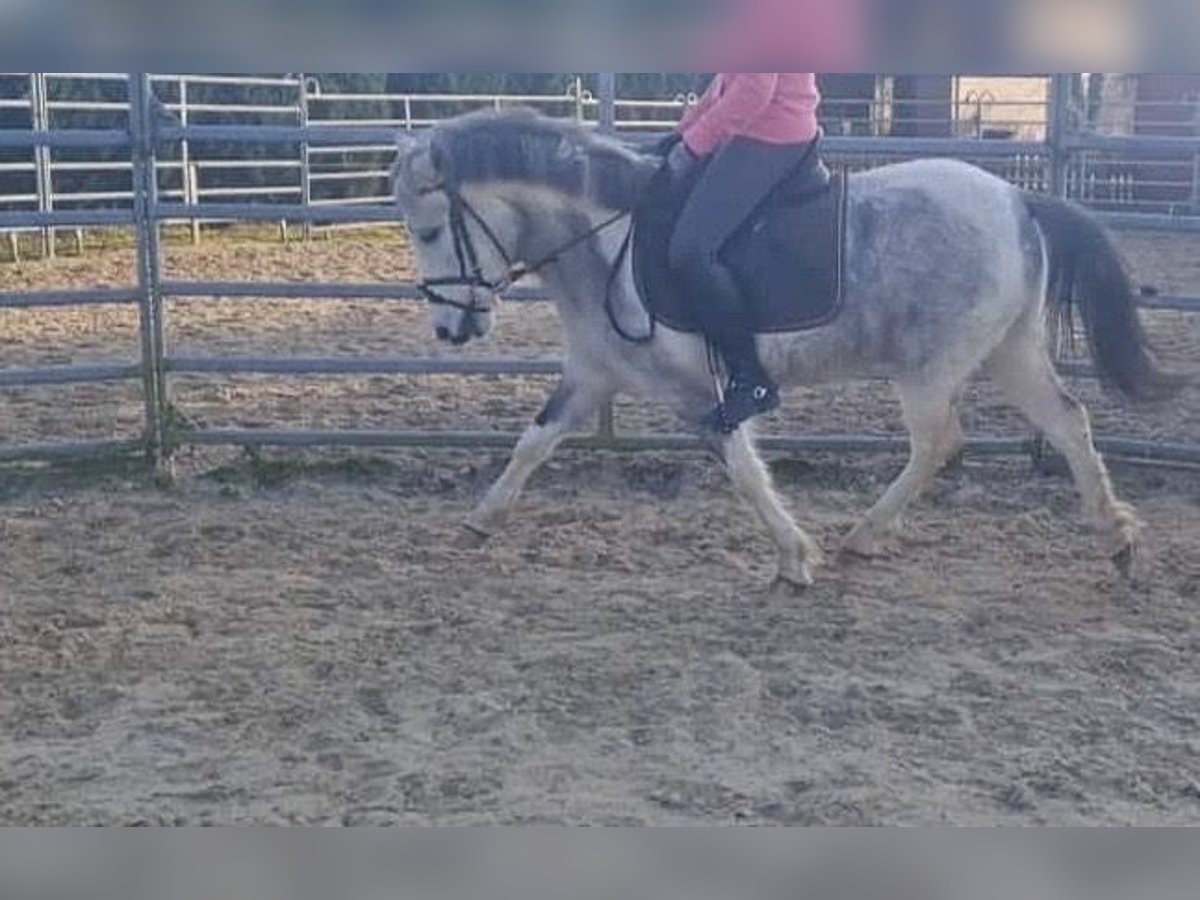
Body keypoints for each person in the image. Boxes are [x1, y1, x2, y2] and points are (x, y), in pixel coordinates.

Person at [664, 73, 824, 434]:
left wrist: (693, 144)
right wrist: (684, 132)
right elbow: (728, 79)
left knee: (691, 251)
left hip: (769, 131)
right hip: (758, 124)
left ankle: (751, 378)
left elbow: (754, 90)